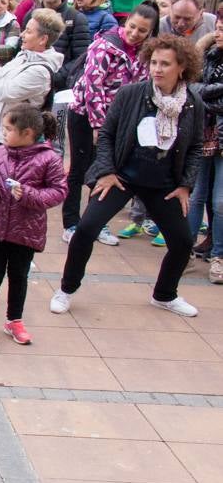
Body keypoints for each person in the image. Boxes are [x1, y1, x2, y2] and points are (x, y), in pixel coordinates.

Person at [51, 35, 205, 318]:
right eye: (154, 62)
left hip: (164, 184)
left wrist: (185, 185)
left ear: (181, 67)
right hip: (123, 175)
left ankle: (165, 294)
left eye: (165, 64)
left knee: (183, 242)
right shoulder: (131, 94)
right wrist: (107, 171)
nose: (157, 69)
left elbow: (196, 147)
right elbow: (107, 134)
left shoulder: (193, 102)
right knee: (86, 229)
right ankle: (66, 289)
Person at [0, 106, 66, 348]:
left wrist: (28, 194)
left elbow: (58, 192)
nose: (3, 133)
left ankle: (14, 320)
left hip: (26, 230)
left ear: (27, 133)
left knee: (18, 276)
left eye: (9, 129)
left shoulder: (49, 159)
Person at [64, 3, 158, 240]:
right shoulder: (105, 45)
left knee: (105, 169)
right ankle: (72, 223)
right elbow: (93, 86)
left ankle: (96, 221)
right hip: (86, 115)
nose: (134, 33)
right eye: (132, 26)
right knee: (80, 167)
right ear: (125, 22)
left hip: (118, 120)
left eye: (142, 31)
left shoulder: (147, 54)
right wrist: (98, 124)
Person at [0, 9, 64, 148]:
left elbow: (3, 92)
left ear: (43, 39)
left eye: (28, 31)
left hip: (11, 140)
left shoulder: (40, 72)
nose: (22, 35)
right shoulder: (24, 55)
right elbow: (1, 79)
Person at [24, 0, 92, 97]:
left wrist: (53, 78)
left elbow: (81, 57)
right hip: (31, 85)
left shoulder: (76, 18)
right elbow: (23, 48)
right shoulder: (30, 16)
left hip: (60, 89)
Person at [191, 18, 223, 284]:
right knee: (197, 195)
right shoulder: (209, 55)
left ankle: (219, 256)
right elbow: (194, 89)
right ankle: (183, 251)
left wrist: (206, 96)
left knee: (220, 200)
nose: (219, 33)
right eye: (220, 28)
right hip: (205, 134)